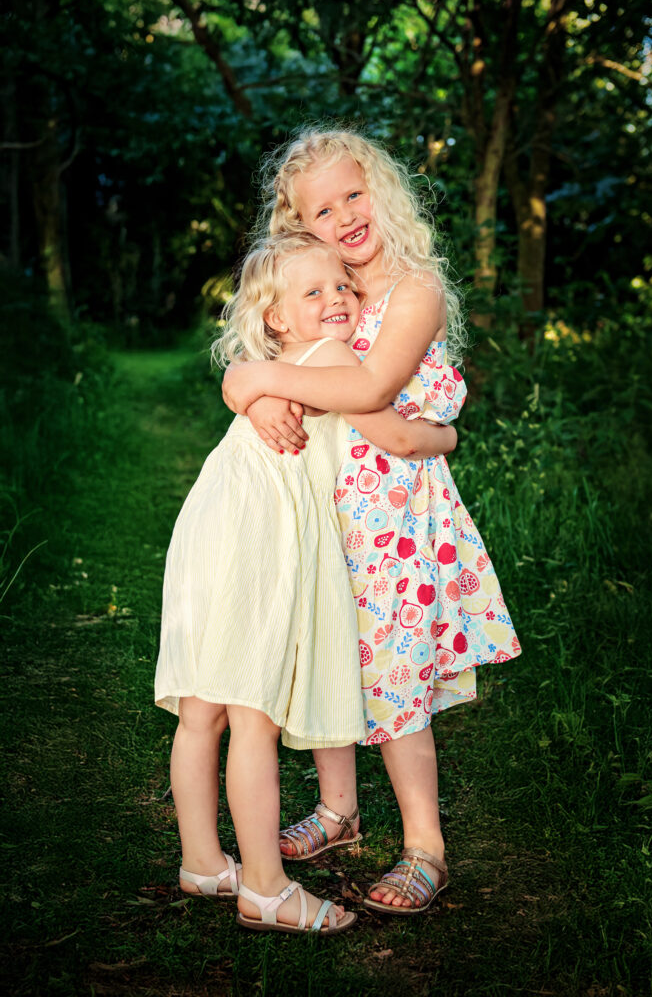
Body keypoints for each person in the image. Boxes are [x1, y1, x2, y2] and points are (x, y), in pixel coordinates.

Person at [221, 129, 521, 915]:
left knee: (394, 676)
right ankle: (338, 812)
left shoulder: (412, 289)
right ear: (300, 226)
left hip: (393, 525)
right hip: (321, 507)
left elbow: (371, 390)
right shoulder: (320, 287)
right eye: (322, 210)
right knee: (326, 651)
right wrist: (252, 384)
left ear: (381, 191)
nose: (344, 216)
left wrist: (258, 379)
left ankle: (425, 846)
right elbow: (282, 360)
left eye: (353, 195)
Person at [154, 230, 458, 934]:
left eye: (343, 286)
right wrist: (447, 437)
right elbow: (397, 434)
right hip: (258, 533)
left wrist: (253, 383)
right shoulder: (333, 358)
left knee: (203, 708)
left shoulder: (275, 365)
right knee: (252, 712)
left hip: (211, 519)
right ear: (275, 317)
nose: (337, 299)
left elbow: (246, 379)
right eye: (314, 291)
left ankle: (203, 862)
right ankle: (266, 890)